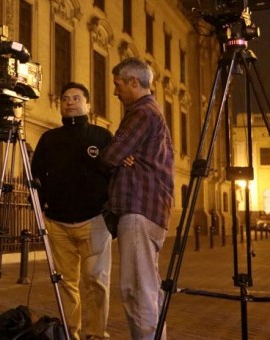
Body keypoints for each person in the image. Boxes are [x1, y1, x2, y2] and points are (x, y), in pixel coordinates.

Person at [99, 57, 174, 340]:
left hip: (139, 210)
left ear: (133, 82)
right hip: (149, 211)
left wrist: (117, 153)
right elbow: (119, 155)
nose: (115, 91)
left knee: (136, 292)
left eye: (118, 84)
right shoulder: (152, 113)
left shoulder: (142, 113)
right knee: (147, 290)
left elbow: (111, 155)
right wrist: (120, 154)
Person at [31, 82, 114, 340]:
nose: (69, 102)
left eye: (76, 98)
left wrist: (111, 212)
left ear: (88, 105)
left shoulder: (102, 137)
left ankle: (95, 334)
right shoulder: (48, 139)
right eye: (65, 98)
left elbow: (116, 175)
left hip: (95, 221)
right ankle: (71, 333)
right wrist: (41, 211)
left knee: (95, 280)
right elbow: (34, 178)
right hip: (58, 223)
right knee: (66, 283)